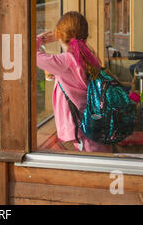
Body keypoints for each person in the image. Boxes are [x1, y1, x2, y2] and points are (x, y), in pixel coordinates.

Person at [36, 11, 112, 153]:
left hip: (79, 131)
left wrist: (40, 40)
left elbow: (31, 53)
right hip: (93, 125)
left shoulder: (66, 60)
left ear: (58, 33)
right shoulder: (90, 56)